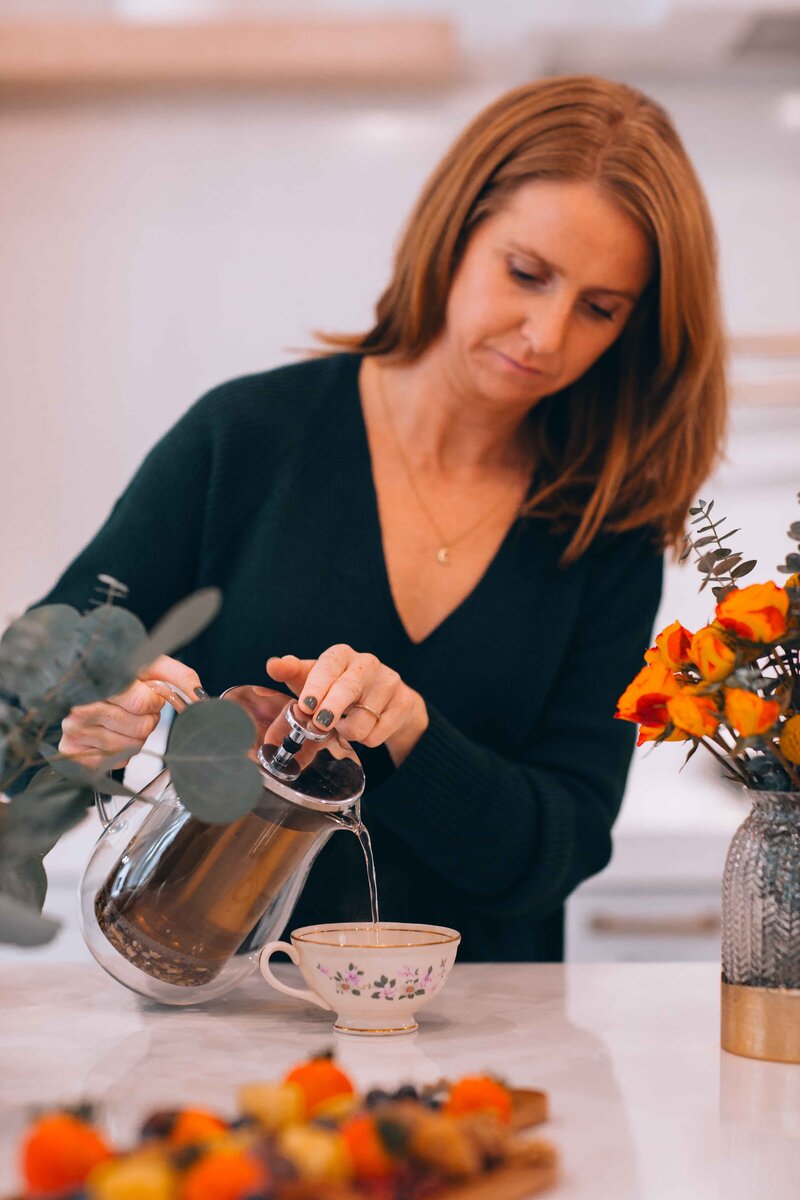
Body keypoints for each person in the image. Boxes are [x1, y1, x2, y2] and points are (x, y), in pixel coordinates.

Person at [36, 75, 727, 961]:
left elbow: (562, 847)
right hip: (220, 1009)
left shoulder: (609, 521)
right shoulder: (248, 439)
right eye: (526, 274)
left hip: (482, 1035)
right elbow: (34, 688)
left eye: (599, 309)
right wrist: (90, 717)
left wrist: (410, 733)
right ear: (454, 236)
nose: (547, 335)